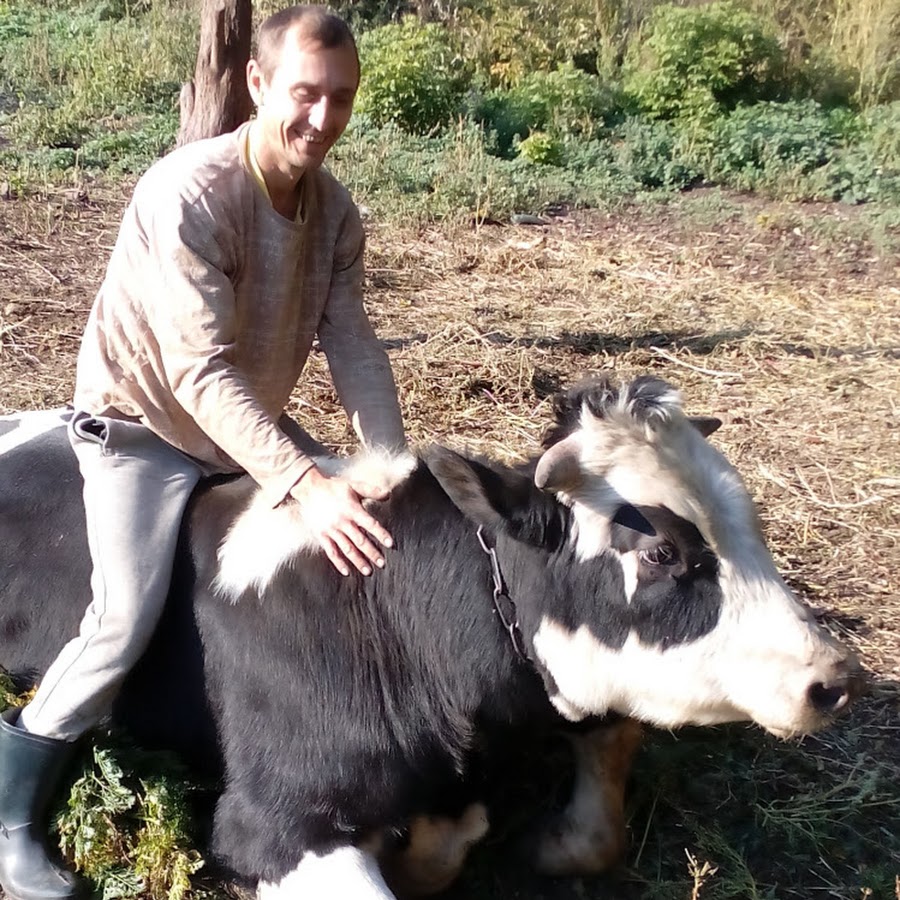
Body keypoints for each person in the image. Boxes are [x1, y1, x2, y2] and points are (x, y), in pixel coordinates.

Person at [0, 7, 405, 900]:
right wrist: (304, 481)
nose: (321, 118)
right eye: (305, 94)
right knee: (122, 616)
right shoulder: (186, 194)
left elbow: (354, 342)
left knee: (362, 526)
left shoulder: (334, 213)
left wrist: (388, 466)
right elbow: (199, 375)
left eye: (341, 99)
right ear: (258, 85)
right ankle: (12, 816)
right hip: (143, 428)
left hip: (244, 421)